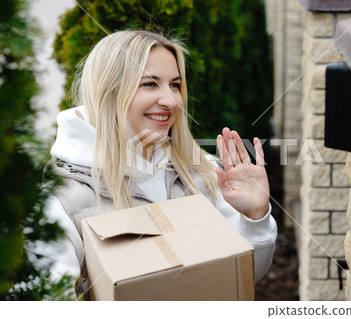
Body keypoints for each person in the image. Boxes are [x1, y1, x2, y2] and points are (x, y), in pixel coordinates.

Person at [45, 30, 277, 300]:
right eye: (150, 84)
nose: (171, 101)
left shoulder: (200, 170)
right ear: (109, 91)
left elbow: (241, 276)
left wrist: (254, 217)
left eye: (175, 85)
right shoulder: (62, 200)